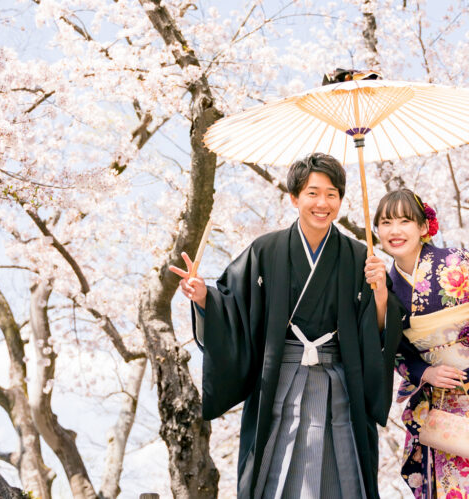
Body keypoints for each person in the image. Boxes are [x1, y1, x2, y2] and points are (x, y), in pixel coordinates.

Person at [171, 153, 403, 499]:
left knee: (341, 479)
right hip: (279, 381)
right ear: (294, 197)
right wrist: (204, 298)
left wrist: (381, 293)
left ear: (340, 199)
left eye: (331, 194)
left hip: (337, 384)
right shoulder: (266, 249)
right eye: (312, 193)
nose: (322, 203)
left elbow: (378, 333)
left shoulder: (359, 256)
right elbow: (231, 307)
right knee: (275, 475)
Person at [366, 189, 469, 498]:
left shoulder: (457, 261)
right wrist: (423, 373)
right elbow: (392, 349)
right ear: (376, 230)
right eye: (386, 222)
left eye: (405, 221)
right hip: (443, 408)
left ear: (422, 227)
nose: (394, 230)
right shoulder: (385, 287)